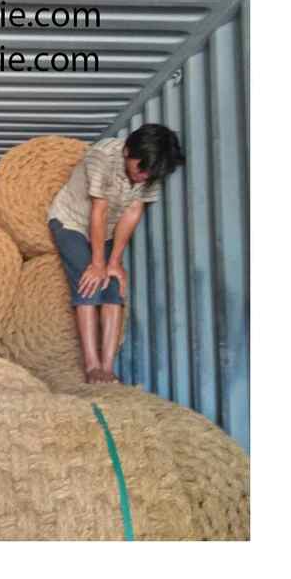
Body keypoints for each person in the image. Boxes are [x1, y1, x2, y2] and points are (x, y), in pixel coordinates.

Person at [47, 124, 185, 384]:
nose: (144, 177)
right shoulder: (103, 156)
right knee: (89, 283)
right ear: (127, 151)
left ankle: (107, 369)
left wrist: (114, 263)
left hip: (107, 230)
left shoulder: (150, 170)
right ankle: (92, 367)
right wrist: (98, 263)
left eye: (150, 174)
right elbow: (98, 211)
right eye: (140, 169)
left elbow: (133, 212)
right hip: (72, 222)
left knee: (114, 287)